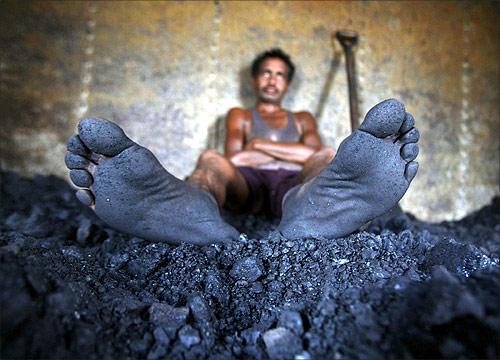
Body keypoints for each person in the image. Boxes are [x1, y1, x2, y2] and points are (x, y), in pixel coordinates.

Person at [65, 49, 420, 245]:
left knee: (327, 157)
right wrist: (282, 151)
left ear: (287, 83)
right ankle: (189, 204)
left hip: (299, 185)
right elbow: (235, 158)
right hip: (245, 186)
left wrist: (261, 145)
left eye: (279, 74)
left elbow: (315, 154)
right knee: (211, 160)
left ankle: (315, 207)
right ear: (255, 79)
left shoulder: (304, 119)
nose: (272, 79)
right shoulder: (239, 115)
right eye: (266, 72)